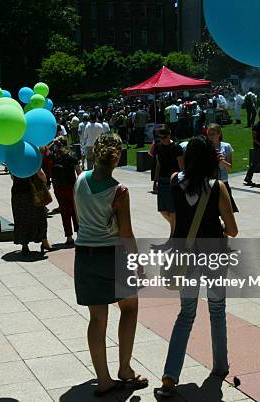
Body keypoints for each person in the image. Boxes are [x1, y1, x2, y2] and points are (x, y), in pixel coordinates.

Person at [157, 136, 238, 398]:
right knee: (217, 310)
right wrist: (221, 229)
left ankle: (170, 376)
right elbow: (233, 230)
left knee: (186, 314)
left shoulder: (173, 181)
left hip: (185, 255)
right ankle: (220, 366)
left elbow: (175, 218)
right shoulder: (218, 187)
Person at [73, 133, 148, 397]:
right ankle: (125, 369)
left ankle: (103, 379)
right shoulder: (119, 191)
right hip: (113, 254)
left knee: (96, 318)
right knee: (129, 308)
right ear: (116, 158)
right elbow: (125, 233)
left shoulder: (80, 179)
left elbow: (79, 216)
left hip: (84, 254)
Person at [151, 125, 184, 239]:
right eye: (161, 137)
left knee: (172, 209)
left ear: (170, 134)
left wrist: (182, 182)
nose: (164, 139)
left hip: (174, 180)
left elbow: (181, 167)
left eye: (166, 136)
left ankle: (173, 234)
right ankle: (177, 225)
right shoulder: (158, 147)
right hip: (162, 179)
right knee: (163, 209)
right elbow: (158, 165)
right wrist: (155, 181)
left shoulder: (176, 147)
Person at [11, 170, 53, 255]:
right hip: (33, 192)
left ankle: (25, 245)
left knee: (21, 218)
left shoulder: (13, 161)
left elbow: (12, 177)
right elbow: (41, 174)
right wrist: (45, 182)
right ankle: (44, 242)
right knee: (40, 217)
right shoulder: (32, 158)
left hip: (18, 193)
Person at [50, 137, 81, 245]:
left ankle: (69, 237)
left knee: (65, 212)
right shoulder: (71, 155)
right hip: (71, 187)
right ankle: (79, 235)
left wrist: (52, 144)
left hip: (59, 188)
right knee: (75, 211)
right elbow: (79, 172)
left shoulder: (54, 156)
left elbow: (43, 152)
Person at [207, 124, 238, 212]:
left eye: (213, 134)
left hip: (223, 182)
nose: (210, 136)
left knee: (227, 211)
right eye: (209, 134)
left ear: (219, 134)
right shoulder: (206, 147)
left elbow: (230, 168)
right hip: (210, 183)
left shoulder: (226, 146)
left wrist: (222, 161)